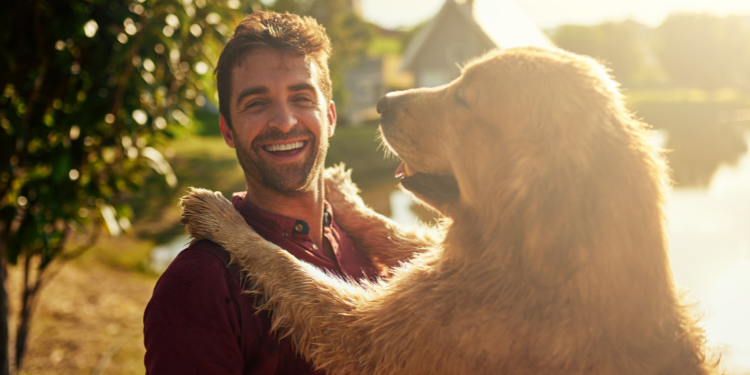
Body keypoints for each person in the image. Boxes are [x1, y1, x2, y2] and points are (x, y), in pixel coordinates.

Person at [143, 11, 381, 374]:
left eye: (302, 97)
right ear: (227, 131)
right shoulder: (200, 284)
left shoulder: (372, 249)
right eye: (256, 103)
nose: (284, 121)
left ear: (330, 117)